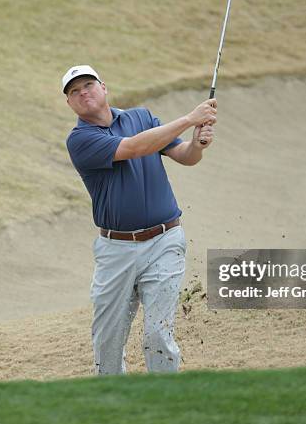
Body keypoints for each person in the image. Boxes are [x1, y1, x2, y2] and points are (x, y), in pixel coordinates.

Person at [62, 64, 217, 375]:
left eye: (88, 85)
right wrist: (189, 119)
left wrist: (197, 142)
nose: (83, 93)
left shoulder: (142, 117)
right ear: (70, 104)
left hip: (165, 240)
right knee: (108, 338)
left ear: (103, 87)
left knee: (158, 332)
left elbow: (185, 157)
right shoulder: (80, 139)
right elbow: (133, 148)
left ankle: (163, 401)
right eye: (74, 92)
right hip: (115, 249)